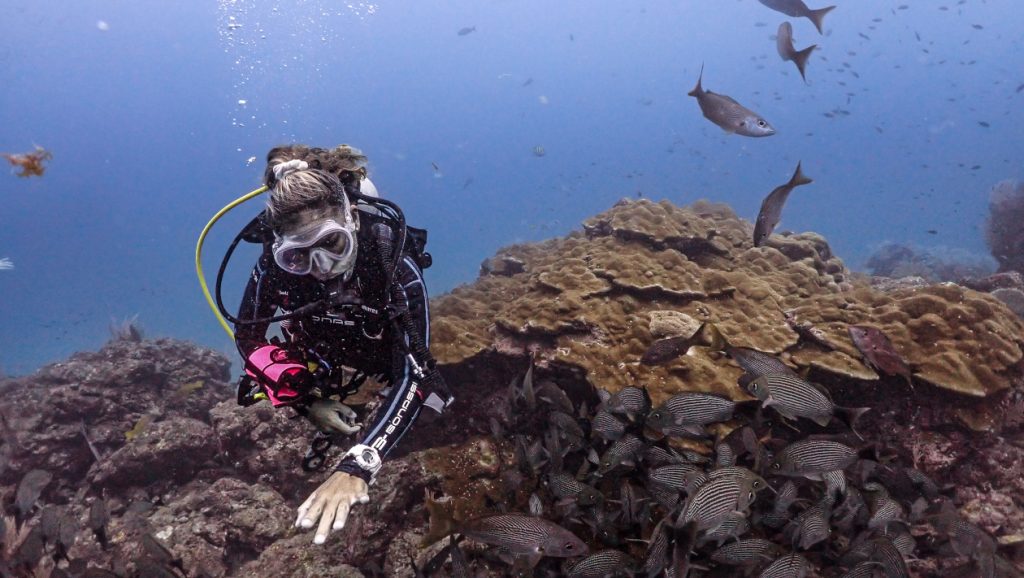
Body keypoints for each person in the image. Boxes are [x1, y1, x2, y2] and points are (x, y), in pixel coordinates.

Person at [231, 144, 451, 545]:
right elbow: (248, 335)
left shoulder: (390, 259)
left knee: (441, 405)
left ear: (351, 219)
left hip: (384, 353)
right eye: (298, 256)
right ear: (281, 248)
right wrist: (307, 403)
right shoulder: (271, 266)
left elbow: (416, 371)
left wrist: (359, 464)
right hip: (324, 357)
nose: (321, 269)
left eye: (332, 244)